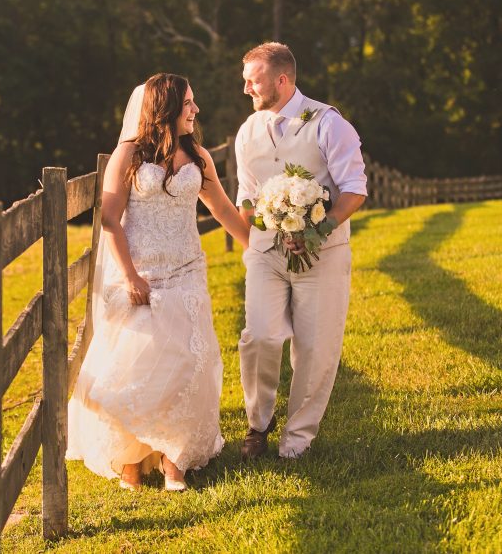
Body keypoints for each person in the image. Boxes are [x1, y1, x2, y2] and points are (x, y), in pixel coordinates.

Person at [66, 73, 250, 491]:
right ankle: (129, 460)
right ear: (165, 106)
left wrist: (260, 247)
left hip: (186, 270)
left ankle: (175, 460)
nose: (195, 110)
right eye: (188, 102)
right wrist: (130, 276)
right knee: (136, 365)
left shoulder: (198, 156)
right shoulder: (128, 155)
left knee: (189, 362)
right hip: (139, 273)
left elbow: (222, 209)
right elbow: (110, 220)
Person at [235, 42, 367, 460]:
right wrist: (264, 225)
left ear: (282, 80)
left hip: (322, 255)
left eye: (252, 81)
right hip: (266, 254)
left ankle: (297, 441)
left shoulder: (328, 123)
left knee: (315, 347)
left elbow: (355, 190)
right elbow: (246, 197)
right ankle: (258, 423)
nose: (246, 90)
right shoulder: (247, 130)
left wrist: (317, 231)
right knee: (258, 335)